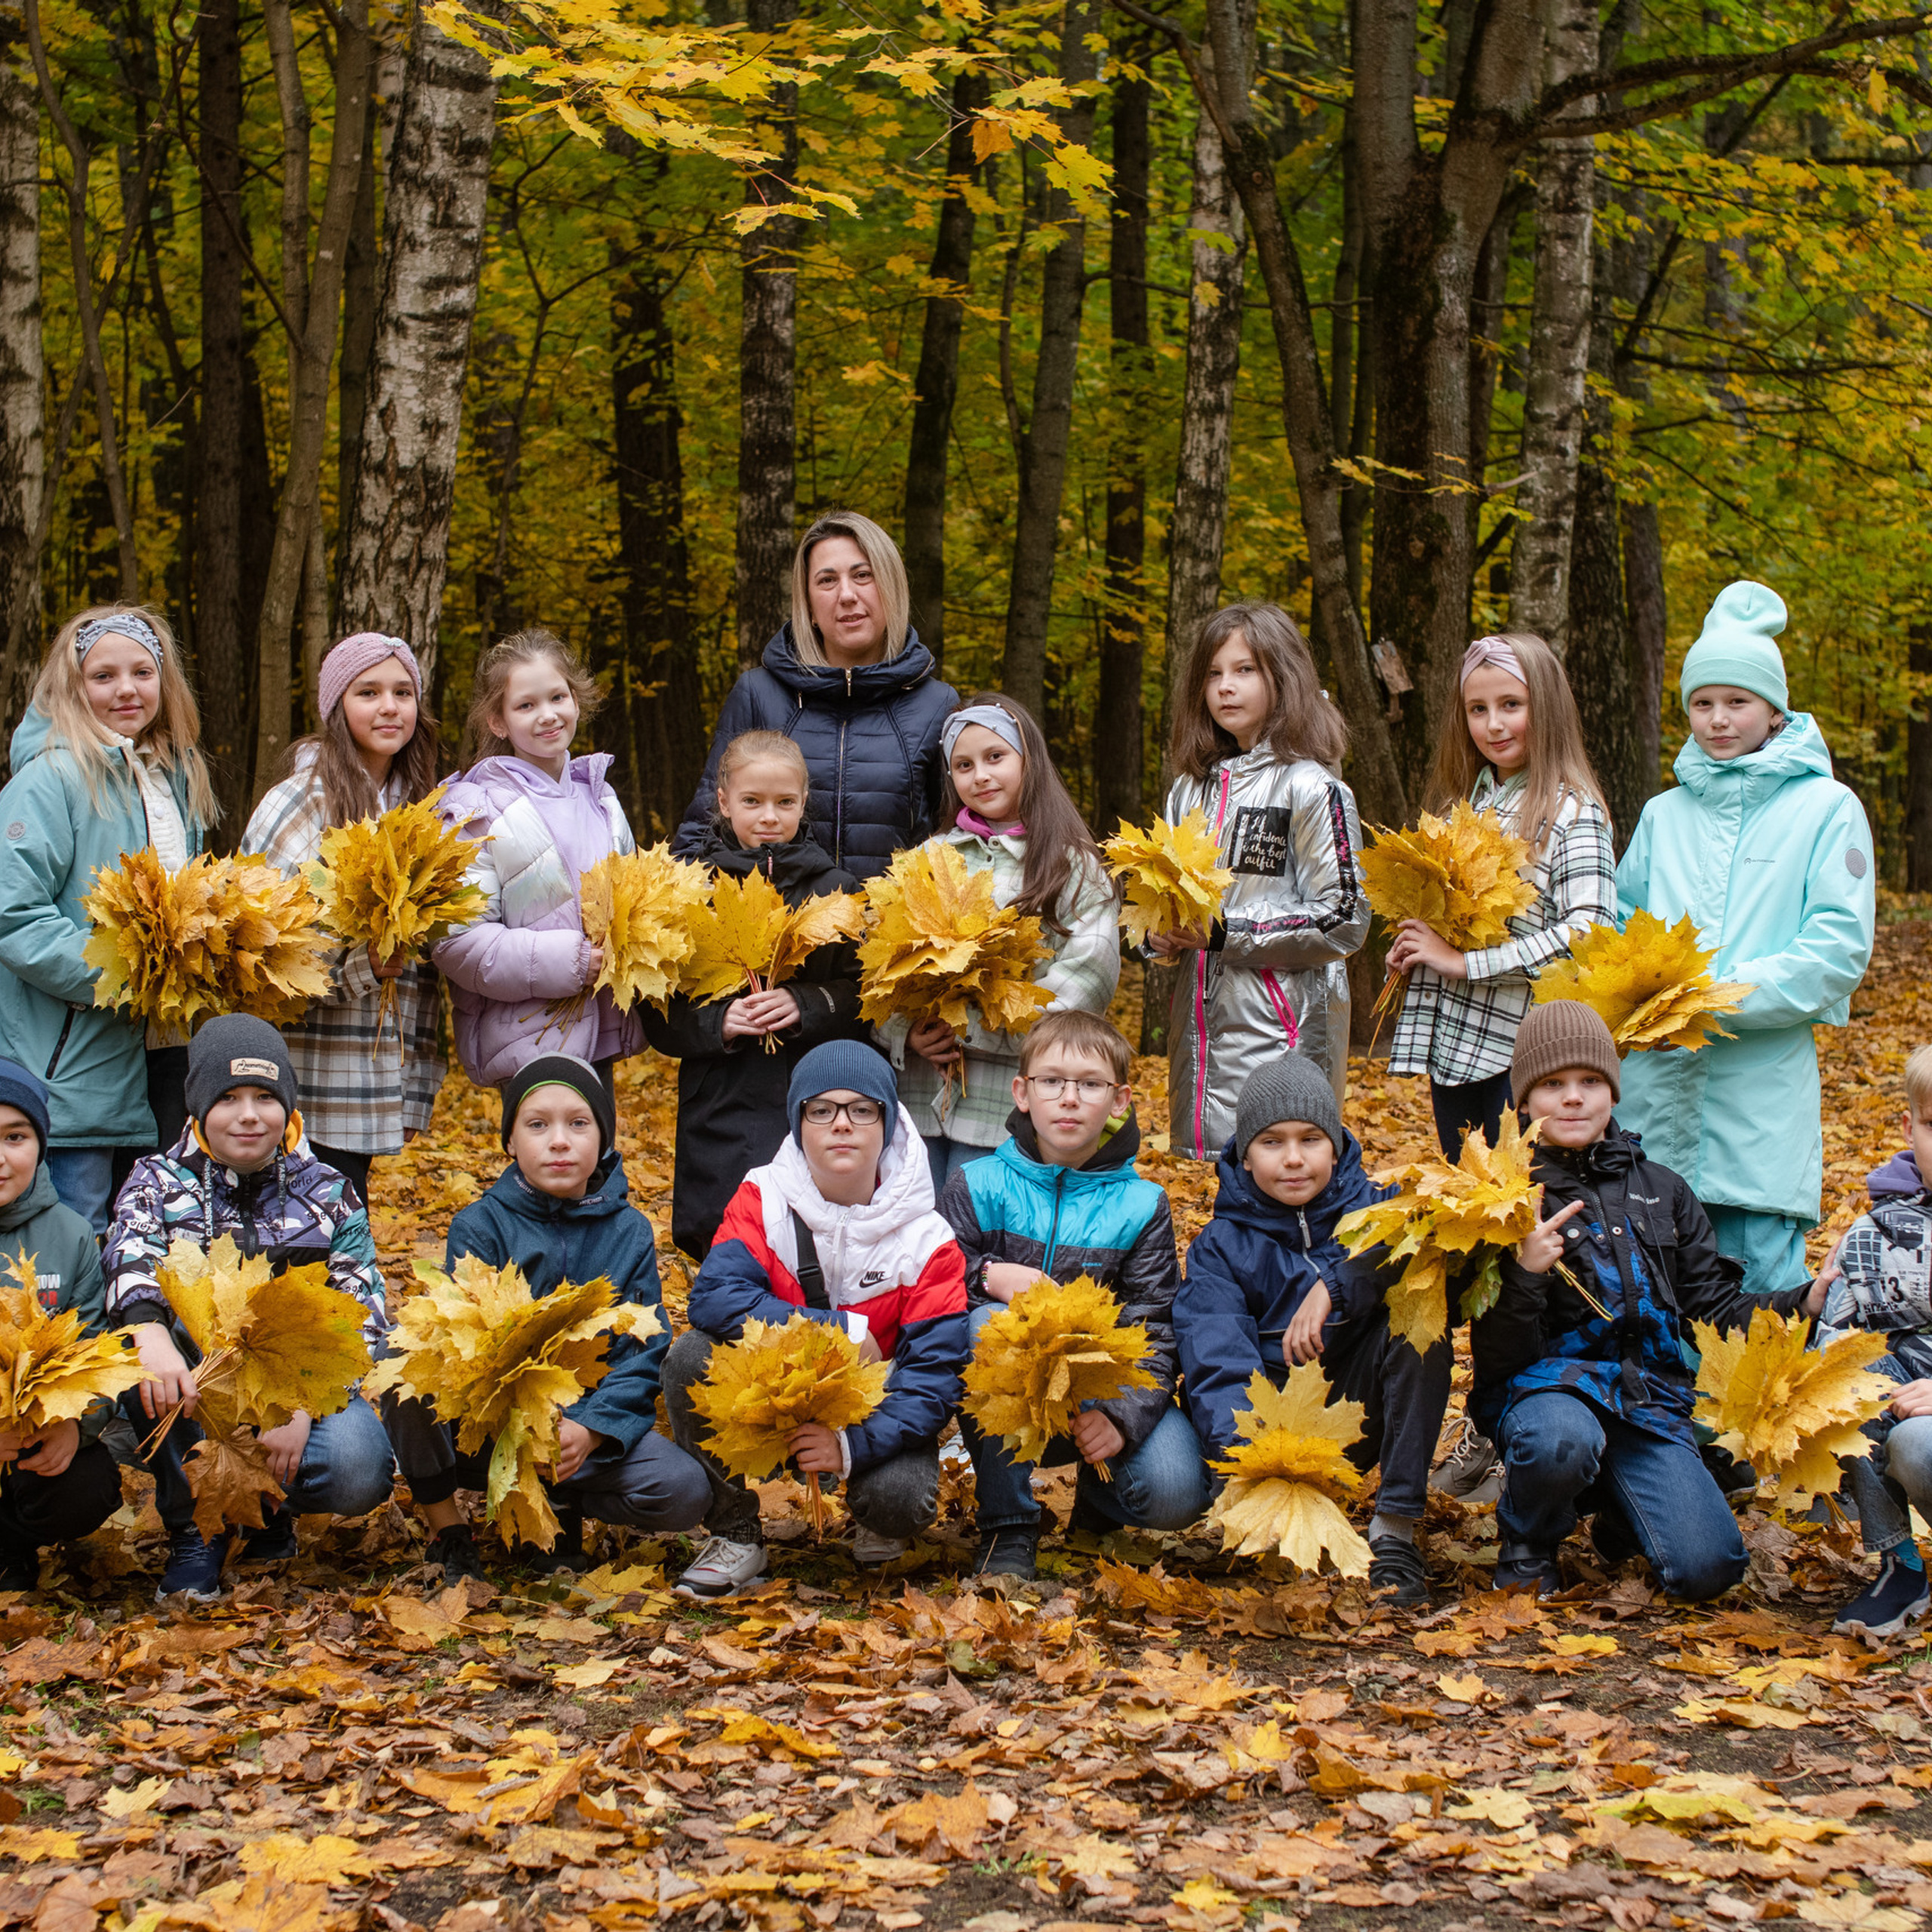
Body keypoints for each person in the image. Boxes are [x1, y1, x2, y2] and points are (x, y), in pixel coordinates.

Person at [1471, 1001, 1821, 1600]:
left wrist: (1806, 1300)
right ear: (1524, 1100)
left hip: (1647, 1400)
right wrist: (1527, 1272)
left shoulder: (1663, 1189)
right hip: (1548, 1397)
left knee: (1709, 1569)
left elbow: (1710, 1306)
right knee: (1561, 1441)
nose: (1573, 1098)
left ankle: (1619, 1512)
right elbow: (1496, 1355)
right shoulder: (1503, 1196)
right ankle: (1529, 1538)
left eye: (1589, 1081)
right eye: (1552, 1084)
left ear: (1613, 1089)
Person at [1616, 581, 1875, 1299]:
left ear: (1774, 710)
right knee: (1656, 1313)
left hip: (1757, 1113)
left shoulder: (1827, 810)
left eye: (1738, 702)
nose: (1719, 719)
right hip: (1651, 1106)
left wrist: (1708, 1003)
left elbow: (1835, 953)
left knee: (1757, 1305)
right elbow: (1614, 935)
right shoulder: (1663, 816)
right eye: (1703, 703)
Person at [662, 1041, 969, 1599]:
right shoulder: (763, 1196)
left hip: (876, 1412)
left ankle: (873, 1513)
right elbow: (714, 1297)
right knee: (690, 1358)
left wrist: (848, 1447)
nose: (841, 1125)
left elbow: (934, 1382)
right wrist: (845, 1333)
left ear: (889, 1121)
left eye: (861, 1109)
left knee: (902, 1501)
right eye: (821, 1109)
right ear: (798, 1121)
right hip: (772, 1393)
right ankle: (736, 1534)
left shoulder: (929, 1239)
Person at [104, 1017, 395, 1601]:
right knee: (138, 1366)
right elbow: (128, 1257)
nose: (248, 1114)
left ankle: (266, 1510)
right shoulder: (155, 1183)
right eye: (228, 1098)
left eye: (266, 1097)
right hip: (192, 1387)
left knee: (359, 1466)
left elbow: (364, 1308)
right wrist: (149, 1330)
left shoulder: (329, 1191)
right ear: (196, 1105)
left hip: (296, 1391)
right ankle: (198, 1529)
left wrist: (303, 1404)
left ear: (287, 1106)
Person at [389, 1054, 710, 1582]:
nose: (559, 1141)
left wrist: (594, 1429)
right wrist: (517, 1424)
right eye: (538, 1125)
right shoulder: (481, 1225)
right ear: (511, 1142)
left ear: (602, 1139)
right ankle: (449, 1529)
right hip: (493, 1431)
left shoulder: (628, 1231)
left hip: (586, 1427)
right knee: (402, 1362)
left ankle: (563, 1509)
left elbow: (645, 1349)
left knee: (682, 1490)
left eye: (578, 1124)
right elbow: (465, 1346)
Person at [939, 1010, 1208, 1581]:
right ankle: (1008, 1527)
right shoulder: (977, 1183)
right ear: (1022, 1092)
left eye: (1089, 1084)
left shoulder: (1142, 1205)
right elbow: (932, 1283)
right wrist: (987, 1275)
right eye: (1052, 1082)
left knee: (1176, 1490)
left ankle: (1099, 1508)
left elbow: (1155, 1327)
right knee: (988, 1325)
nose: (1068, 1098)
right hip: (994, 1403)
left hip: (1090, 1398)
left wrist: (1119, 1415)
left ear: (1119, 1101)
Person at [1176, 1052, 1450, 1604]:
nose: (1294, 1159)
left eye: (1311, 1140)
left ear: (1338, 1144)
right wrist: (1257, 1470)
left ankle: (1394, 1530)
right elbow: (1219, 1363)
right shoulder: (1220, 1249)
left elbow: (1436, 1236)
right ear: (1245, 1156)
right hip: (1270, 1432)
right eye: (1272, 1142)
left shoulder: (1377, 1213)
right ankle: (1278, 1514)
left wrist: (1335, 1283)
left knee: (1421, 1323)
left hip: (1356, 1409)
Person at [0, 606, 217, 1235]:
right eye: (104, 676)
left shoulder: (171, 777)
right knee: (77, 1234)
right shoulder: (51, 780)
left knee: (151, 1237)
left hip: (164, 1049)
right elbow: (15, 915)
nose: (126, 689)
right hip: (72, 1059)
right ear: (73, 687)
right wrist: (123, 974)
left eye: (142, 672)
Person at [1385, 631, 1615, 1163]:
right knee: (1471, 1198)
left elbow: (1590, 930)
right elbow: (1453, 920)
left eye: (1512, 705)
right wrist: (1420, 947)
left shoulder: (1572, 813)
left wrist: (1467, 964)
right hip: (1454, 1050)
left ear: (1549, 708)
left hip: (1528, 1056)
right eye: (1478, 708)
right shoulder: (1459, 809)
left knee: (1528, 1202)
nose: (1493, 724)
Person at [877, 693, 1120, 1193]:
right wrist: (904, 1032)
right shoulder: (927, 857)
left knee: (985, 1235)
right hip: (919, 1100)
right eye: (963, 765)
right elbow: (880, 967)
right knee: (922, 1239)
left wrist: (973, 1030)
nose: (980, 775)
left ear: (1028, 761)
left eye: (995, 757)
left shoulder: (1068, 863)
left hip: (1007, 1106)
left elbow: (1087, 976)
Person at [1149, 603, 1366, 1159]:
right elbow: (1168, 898)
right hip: (1198, 1038)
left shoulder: (1311, 787)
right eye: (1214, 673)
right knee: (1207, 1191)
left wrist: (1225, 932)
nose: (1225, 687)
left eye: (1245, 670)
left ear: (1283, 675)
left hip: (1283, 1034)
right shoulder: (1188, 791)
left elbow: (1343, 918)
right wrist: (1157, 935)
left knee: (1277, 1180)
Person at [641, 731, 865, 1260]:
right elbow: (658, 1015)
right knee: (725, 1241)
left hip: (808, 1095)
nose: (769, 817)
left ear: (804, 801)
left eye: (785, 802)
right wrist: (717, 1023)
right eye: (752, 802)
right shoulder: (688, 893)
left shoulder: (836, 891)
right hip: (721, 1100)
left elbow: (865, 996)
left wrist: (805, 1004)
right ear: (723, 802)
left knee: (807, 1243)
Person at [243, 632, 448, 1204]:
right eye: (369, 692)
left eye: (403, 692)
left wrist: (416, 1091)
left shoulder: (423, 811)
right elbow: (258, 954)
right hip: (308, 1071)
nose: (389, 706)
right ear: (337, 707)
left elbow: (424, 978)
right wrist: (362, 965)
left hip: (378, 1073)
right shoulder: (299, 805)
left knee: (344, 1231)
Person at [670, 512, 958, 881]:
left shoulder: (936, 704)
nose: (847, 595)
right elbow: (701, 831)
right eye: (827, 580)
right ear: (808, 603)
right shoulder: (758, 694)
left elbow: (960, 841)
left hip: (892, 933)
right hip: (772, 932)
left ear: (891, 586)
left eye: (862, 575)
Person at [433, 629, 641, 1091]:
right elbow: (456, 943)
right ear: (497, 721)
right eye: (526, 705)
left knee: (599, 1160)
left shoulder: (601, 799)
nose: (547, 715)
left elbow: (638, 899)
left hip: (601, 1031)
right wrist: (571, 961)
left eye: (558, 697)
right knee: (546, 1163)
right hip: (529, 1038)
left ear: (576, 701)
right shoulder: (476, 811)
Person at [1811, 1044, 1932, 1639]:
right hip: (1905, 1408)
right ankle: (1901, 1564)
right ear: (1911, 1127)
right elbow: (1837, 1335)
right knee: (1843, 1378)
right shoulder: (1874, 1232)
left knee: (1921, 1443)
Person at [0, 1060, 125, 1592]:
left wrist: (77, 1425)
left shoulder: (72, 1234)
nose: (1, 1158)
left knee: (89, 1486)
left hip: (30, 1436)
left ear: (41, 1144)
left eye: (16, 1136)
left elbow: (99, 1353)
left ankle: (12, 1546)